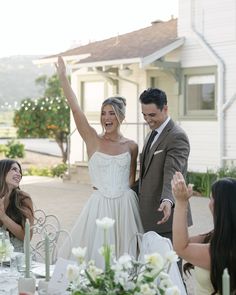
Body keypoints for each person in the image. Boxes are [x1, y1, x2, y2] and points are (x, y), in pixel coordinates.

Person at [56, 56, 144, 266]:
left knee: (126, 258)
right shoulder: (93, 140)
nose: (106, 118)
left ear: (121, 117)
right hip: (99, 206)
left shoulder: (132, 146)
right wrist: (63, 78)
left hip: (125, 207)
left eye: (112, 113)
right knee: (95, 259)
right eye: (103, 113)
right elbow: (76, 109)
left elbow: (131, 180)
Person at [137, 87, 192, 240]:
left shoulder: (177, 136)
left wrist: (167, 200)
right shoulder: (151, 134)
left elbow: (173, 171)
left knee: (169, 264)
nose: (148, 119)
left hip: (167, 220)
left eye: (152, 115)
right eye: (144, 115)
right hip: (148, 218)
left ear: (165, 108)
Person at [172, 171, 236, 294]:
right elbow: (185, 242)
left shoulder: (225, 250)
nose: (209, 204)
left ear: (219, 206)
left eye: (211, 198)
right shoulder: (221, 236)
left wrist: (181, 202)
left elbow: (181, 247)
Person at [0, 159, 34, 252]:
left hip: (20, 258)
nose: (19, 174)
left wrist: (3, 217)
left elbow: (27, 237)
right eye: (14, 169)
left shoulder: (23, 198)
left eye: (20, 172)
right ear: (2, 171)